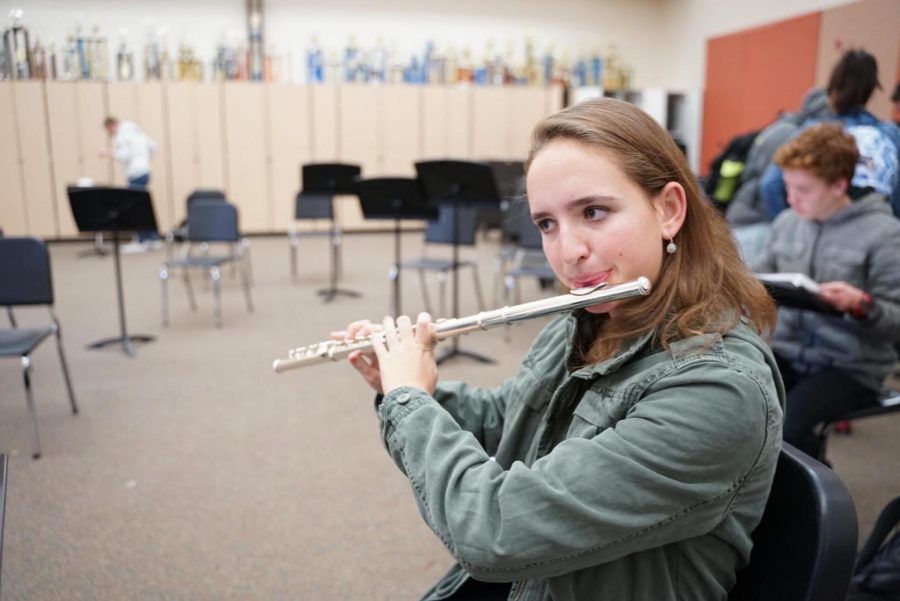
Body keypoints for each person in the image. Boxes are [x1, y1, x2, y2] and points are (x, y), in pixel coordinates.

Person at [338, 98, 784, 601]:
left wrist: (409, 403)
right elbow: (507, 424)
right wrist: (407, 384)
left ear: (669, 210)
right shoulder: (588, 321)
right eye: (546, 224)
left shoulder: (719, 391)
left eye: (593, 212)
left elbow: (492, 532)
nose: (567, 252)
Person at [751, 123, 900, 459]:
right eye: (788, 186)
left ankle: (818, 504)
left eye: (803, 189)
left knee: (789, 429)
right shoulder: (787, 223)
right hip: (789, 350)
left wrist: (862, 305)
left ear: (839, 185)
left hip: (851, 365)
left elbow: (896, 320)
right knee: (741, 403)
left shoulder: (884, 234)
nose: (791, 198)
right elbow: (757, 277)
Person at [760, 49, 900, 220]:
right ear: (872, 89)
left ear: (833, 85)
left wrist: (794, 230)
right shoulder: (889, 134)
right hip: (877, 230)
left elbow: (770, 185)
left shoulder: (812, 132)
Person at [726, 87, 830, 264]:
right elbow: (769, 184)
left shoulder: (781, 127)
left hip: (743, 215)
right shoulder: (791, 133)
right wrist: (782, 224)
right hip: (756, 221)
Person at [100, 116, 160, 250]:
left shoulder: (122, 135)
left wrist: (108, 152)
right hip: (144, 171)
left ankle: (141, 241)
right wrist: (144, 161)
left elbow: (124, 155)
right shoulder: (136, 131)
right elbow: (153, 145)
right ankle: (153, 239)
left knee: (135, 209)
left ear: (110, 126)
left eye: (108, 131)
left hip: (135, 174)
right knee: (143, 207)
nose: (110, 134)